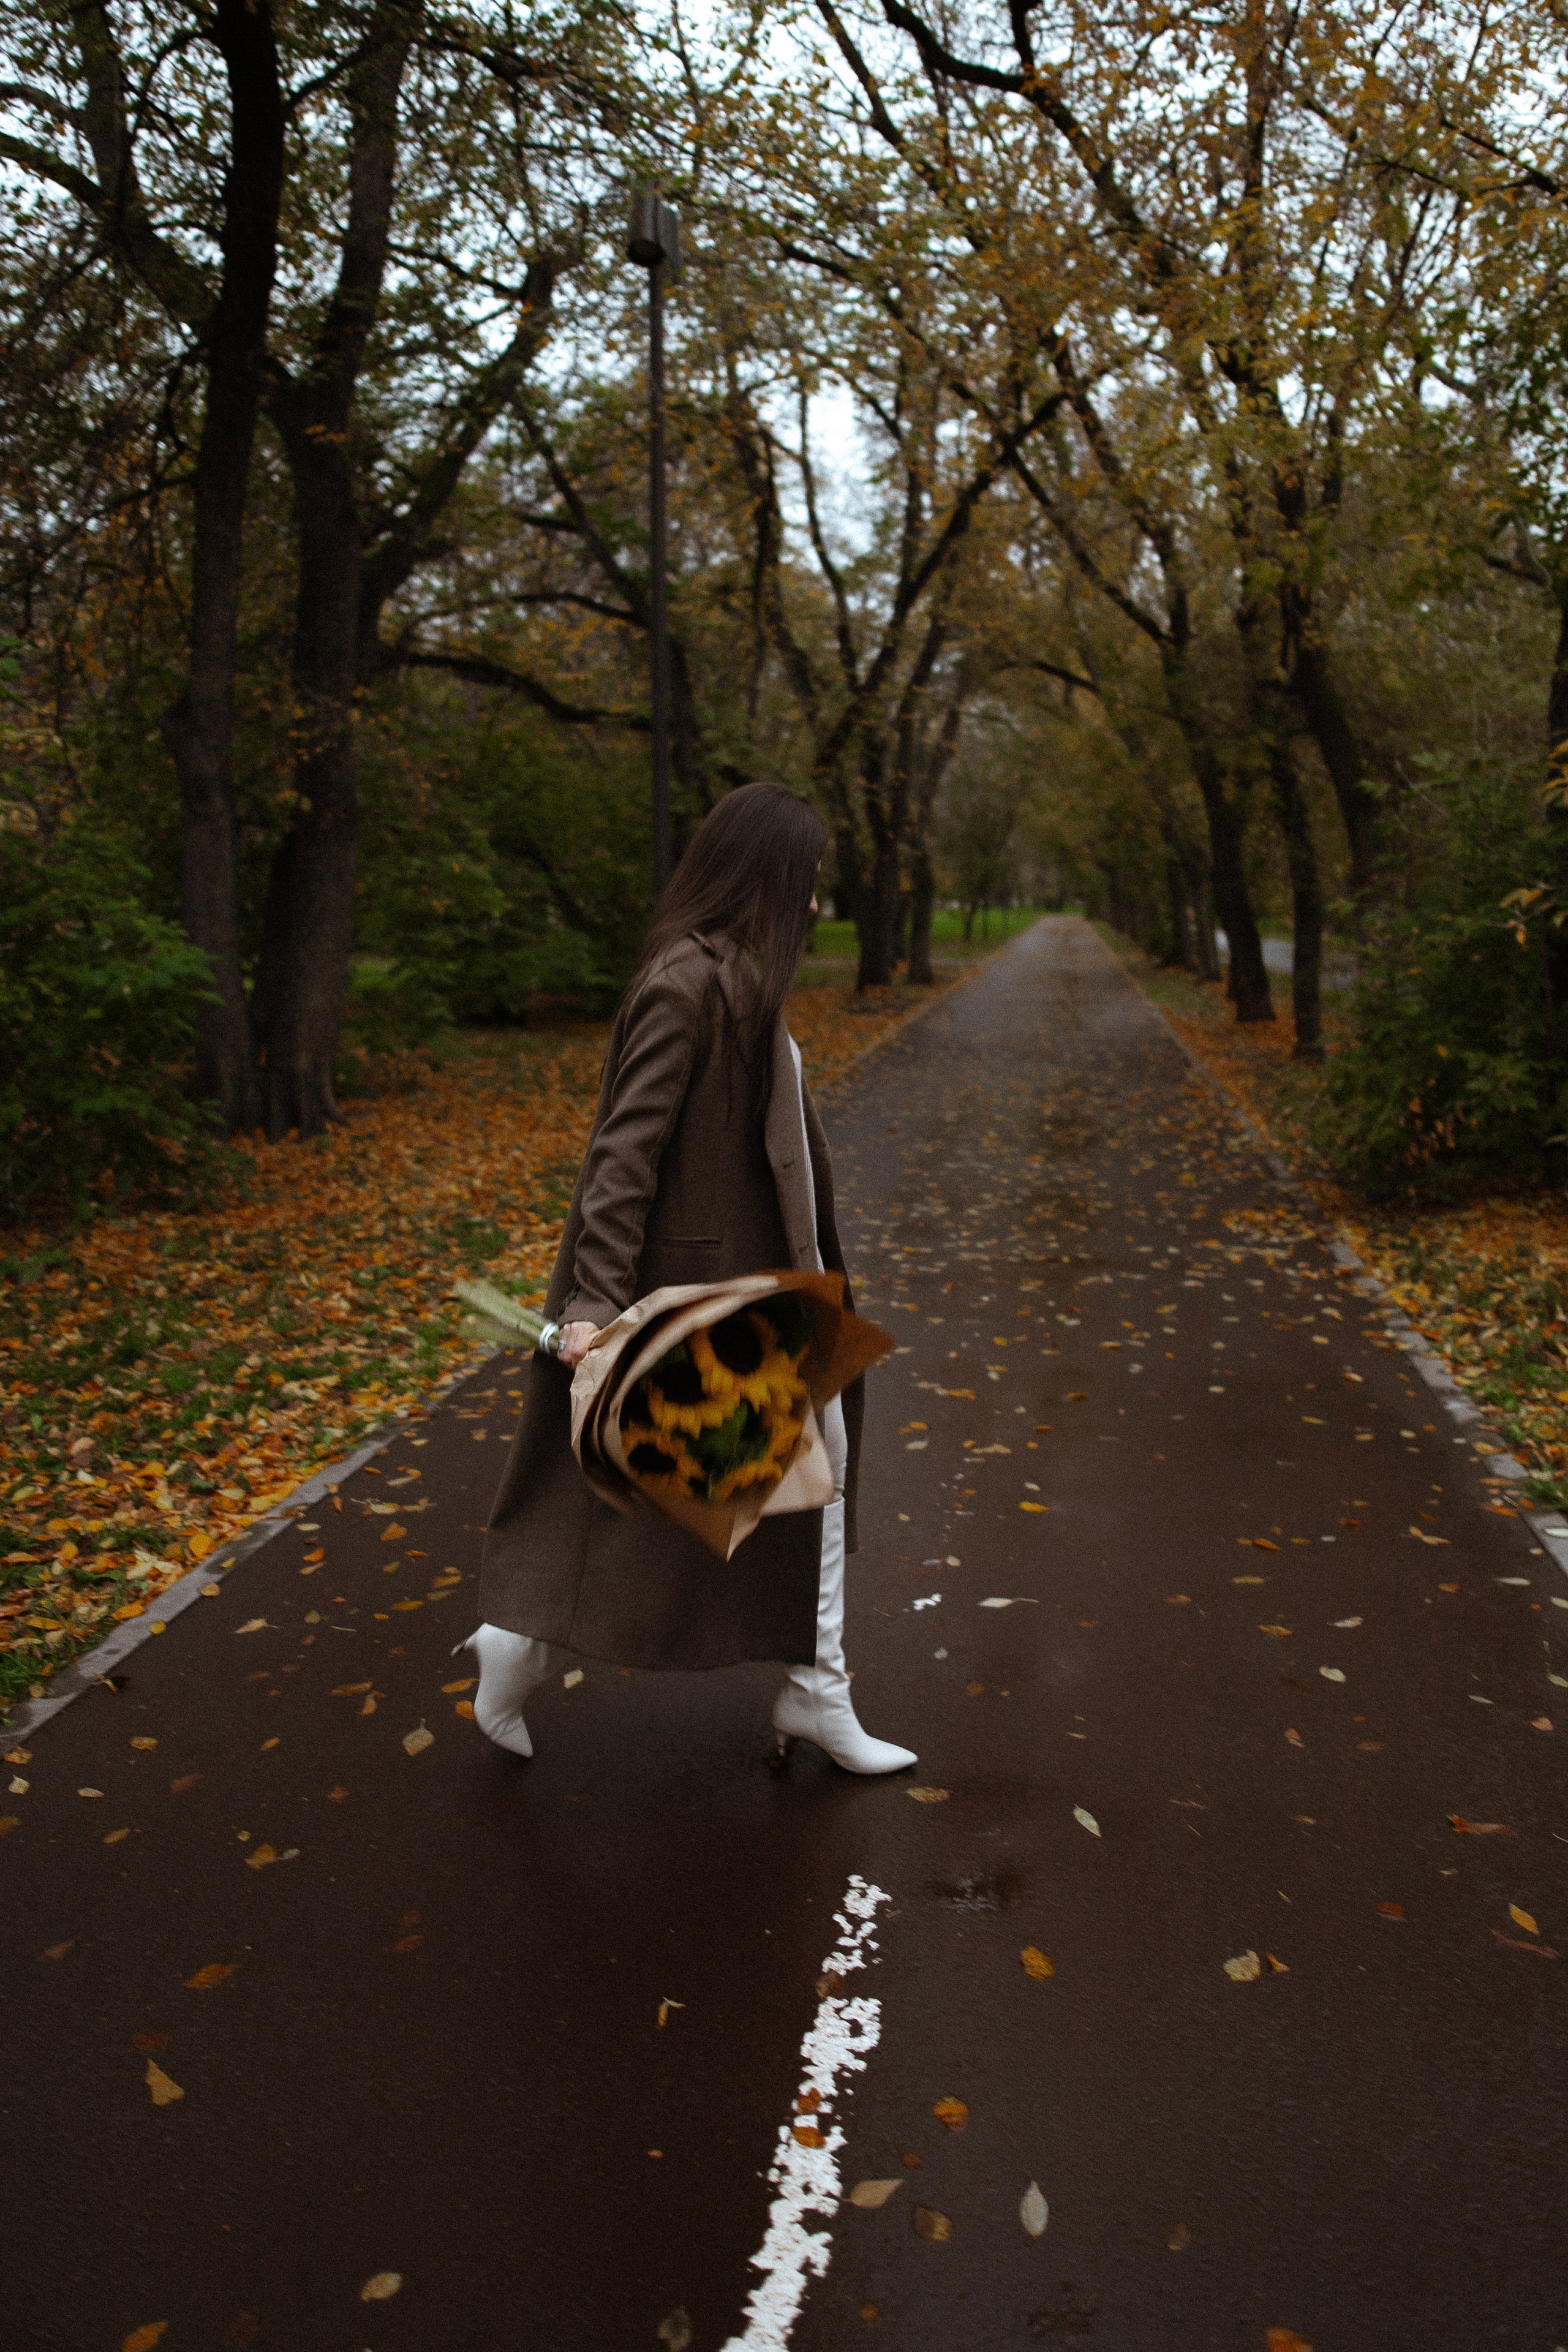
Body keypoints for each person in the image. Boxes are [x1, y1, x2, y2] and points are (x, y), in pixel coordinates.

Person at [456, 783, 915, 1775]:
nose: (814, 903)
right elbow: (622, 1159)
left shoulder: (738, 978)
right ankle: (526, 1648)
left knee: (799, 1477)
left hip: (766, 1286)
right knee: (656, 1512)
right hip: (697, 1297)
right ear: (763, 876)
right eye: (806, 881)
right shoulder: (684, 986)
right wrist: (593, 1306)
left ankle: (812, 1691)